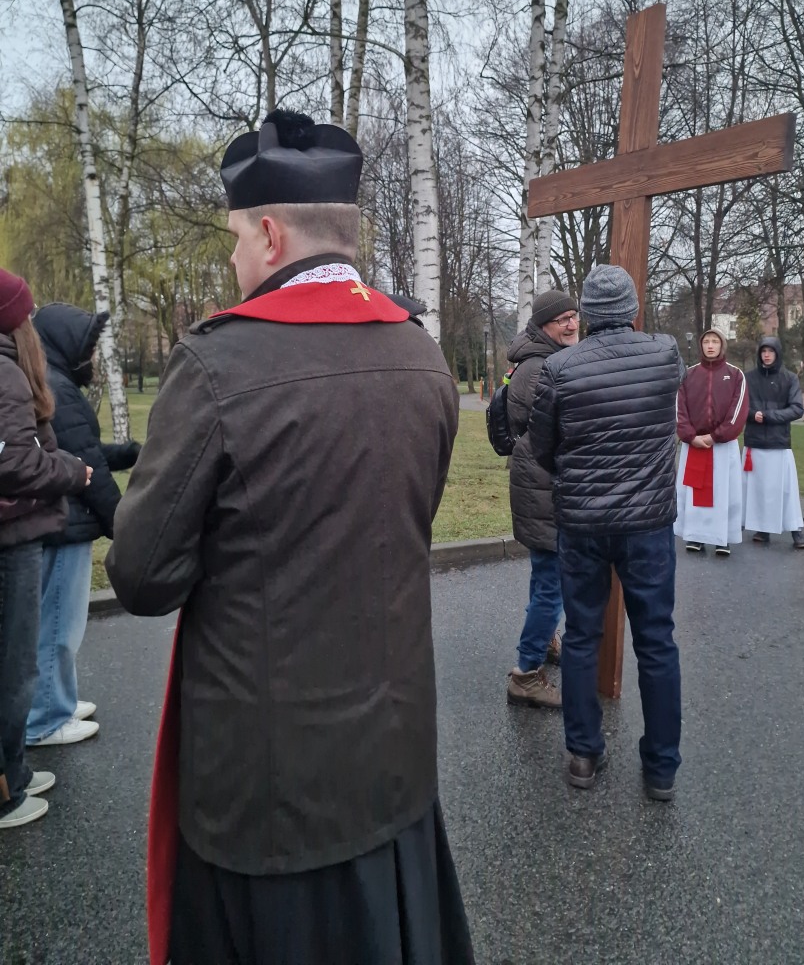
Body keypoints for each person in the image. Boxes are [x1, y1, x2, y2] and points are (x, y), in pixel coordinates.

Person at [106, 109, 473, 965]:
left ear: (270, 235)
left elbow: (142, 576)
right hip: (394, 760)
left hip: (268, 793)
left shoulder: (217, 364)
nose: (235, 260)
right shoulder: (422, 357)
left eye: (237, 239)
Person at [529, 264, 684, 797]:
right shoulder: (665, 353)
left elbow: (542, 446)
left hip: (583, 522)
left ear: (589, 315)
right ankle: (661, 768)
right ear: (633, 310)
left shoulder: (561, 367)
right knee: (657, 640)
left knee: (581, 636)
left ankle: (583, 754)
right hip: (647, 523)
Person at [0, 269, 91, 830]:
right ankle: (6, 791)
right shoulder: (7, 373)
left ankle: (15, 769)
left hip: (16, 533)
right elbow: (12, 461)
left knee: (16, 665)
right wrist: (71, 472)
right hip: (13, 537)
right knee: (13, 670)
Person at [26, 304, 140, 748]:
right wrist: (124, 526)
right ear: (64, 344)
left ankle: (57, 701)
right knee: (59, 625)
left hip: (56, 523)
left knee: (55, 623)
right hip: (65, 526)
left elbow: (82, 448)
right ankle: (46, 718)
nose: (89, 356)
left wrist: (128, 453)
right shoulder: (58, 388)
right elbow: (88, 466)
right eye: (87, 347)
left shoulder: (49, 381)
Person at [505, 289, 579, 710]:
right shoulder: (540, 368)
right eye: (562, 319)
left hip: (539, 483)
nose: (571, 324)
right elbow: (558, 432)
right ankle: (526, 674)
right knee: (553, 585)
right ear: (544, 326)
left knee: (544, 578)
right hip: (544, 486)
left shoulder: (543, 360)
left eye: (574, 316)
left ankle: (546, 641)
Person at [675, 328, 748, 557]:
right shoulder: (688, 375)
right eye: (706, 341)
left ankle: (723, 537)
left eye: (715, 341)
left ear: (721, 345)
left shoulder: (735, 375)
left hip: (723, 446)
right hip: (694, 444)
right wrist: (690, 436)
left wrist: (716, 436)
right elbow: (679, 409)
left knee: (724, 494)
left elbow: (738, 411)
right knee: (693, 493)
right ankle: (695, 536)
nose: (710, 345)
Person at [742, 336, 804, 549]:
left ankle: (796, 529)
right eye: (763, 351)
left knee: (786, 490)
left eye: (770, 351)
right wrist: (752, 415)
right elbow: (739, 406)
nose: (767, 355)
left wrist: (769, 416)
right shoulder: (748, 378)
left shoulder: (789, 378)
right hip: (755, 442)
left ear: (777, 353)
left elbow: (796, 408)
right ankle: (762, 529)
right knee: (758, 489)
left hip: (779, 443)